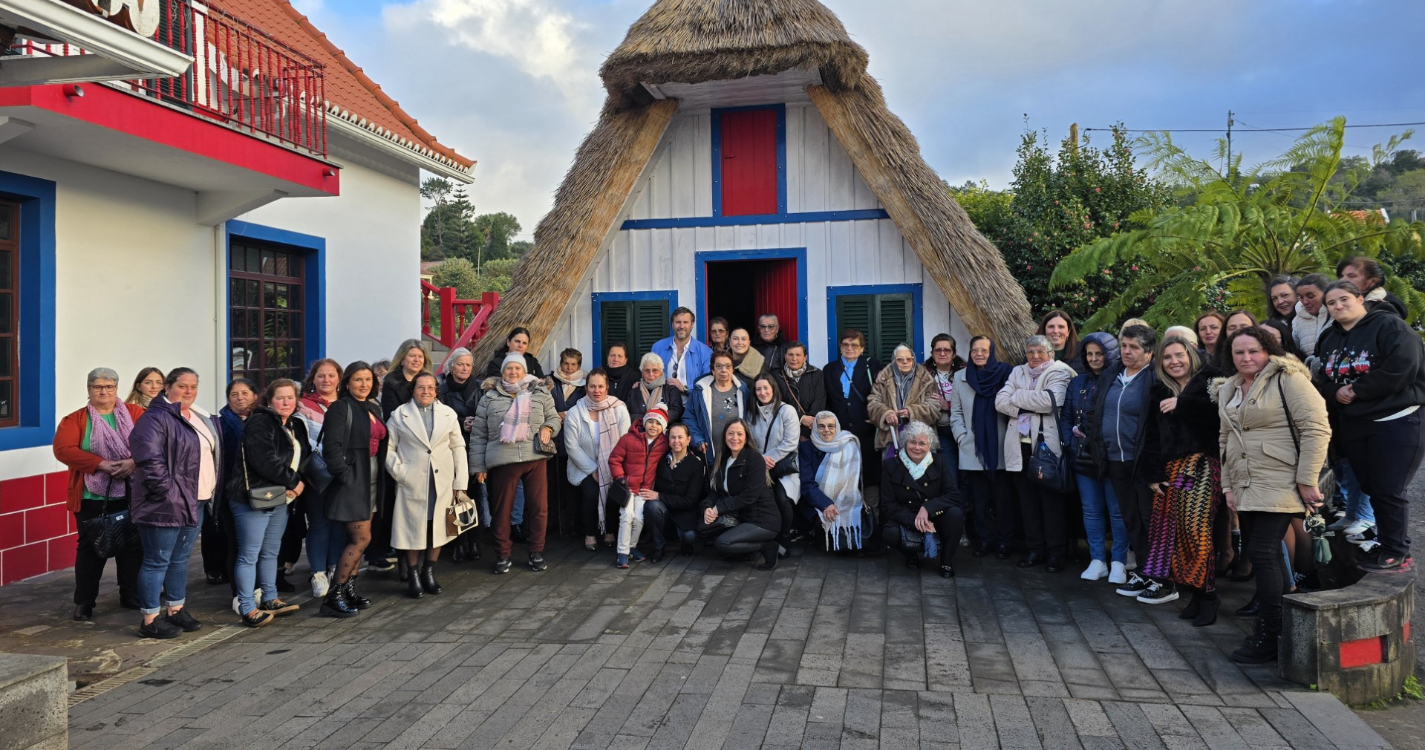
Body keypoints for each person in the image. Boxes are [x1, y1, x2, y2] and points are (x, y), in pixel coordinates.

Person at [1217, 327, 1330, 663]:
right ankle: (1278, 633)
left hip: (1282, 479)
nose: (1246, 358)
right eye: (1239, 353)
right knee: (1269, 554)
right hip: (1245, 482)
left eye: (1253, 351)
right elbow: (1225, 441)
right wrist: (1227, 487)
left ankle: (1269, 635)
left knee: (1262, 552)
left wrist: (1309, 479)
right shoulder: (1228, 388)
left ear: (1267, 350)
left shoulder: (1289, 379)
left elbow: (1316, 427)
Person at [1315, 281, 1425, 572]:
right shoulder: (1328, 338)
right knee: (1371, 485)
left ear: (1360, 298)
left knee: (1389, 488)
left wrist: (1357, 390)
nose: (1338, 306)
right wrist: (1334, 392)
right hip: (1354, 423)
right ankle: (1385, 540)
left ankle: (1395, 549)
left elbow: (1403, 366)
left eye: (1344, 299)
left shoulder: (1390, 326)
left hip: (1395, 419)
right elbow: (1320, 378)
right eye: (1331, 303)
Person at [129, 368, 220, 639]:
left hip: (198, 501)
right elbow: (148, 458)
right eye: (182, 386)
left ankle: (176, 609)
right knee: (157, 560)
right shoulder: (155, 418)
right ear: (167, 388)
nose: (189, 391)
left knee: (180, 560)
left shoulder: (197, 416)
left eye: (194, 386)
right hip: (165, 503)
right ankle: (149, 619)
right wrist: (168, 493)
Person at [1139, 336, 1223, 621]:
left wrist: (1183, 404)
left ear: (1191, 355)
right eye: (1167, 357)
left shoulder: (1212, 380)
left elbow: (1220, 420)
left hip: (1202, 464)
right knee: (1176, 534)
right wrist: (1153, 474)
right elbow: (1152, 435)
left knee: (1197, 531)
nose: (1174, 361)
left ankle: (1209, 595)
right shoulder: (1158, 389)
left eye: (1179, 355)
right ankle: (1197, 594)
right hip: (1172, 469)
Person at [54, 368, 147, 621]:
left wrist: (133, 462)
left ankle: (130, 595)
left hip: (131, 492)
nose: (103, 391)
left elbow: (154, 442)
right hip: (90, 496)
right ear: (89, 389)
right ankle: (84, 602)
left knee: (132, 546)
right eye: (98, 387)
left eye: (109, 386)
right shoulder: (75, 420)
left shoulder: (135, 413)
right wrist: (101, 464)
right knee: (90, 548)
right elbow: (64, 450)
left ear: (117, 389)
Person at [470, 354, 562, 574]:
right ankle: (503, 554)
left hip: (535, 457)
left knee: (539, 508)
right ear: (502, 373)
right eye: (509, 368)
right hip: (503, 459)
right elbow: (479, 434)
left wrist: (548, 428)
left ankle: (536, 552)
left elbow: (554, 418)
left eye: (517, 368)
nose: (513, 372)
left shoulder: (539, 393)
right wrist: (478, 467)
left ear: (524, 371)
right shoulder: (489, 398)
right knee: (502, 510)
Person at [1086, 324, 1158, 597]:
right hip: (1114, 460)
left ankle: (1157, 575)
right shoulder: (1112, 373)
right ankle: (1142, 571)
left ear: (1149, 352)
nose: (1126, 351)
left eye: (1134, 347)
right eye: (1124, 345)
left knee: (1148, 518)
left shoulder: (1154, 377)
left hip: (1142, 461)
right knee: (1130, 519)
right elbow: (1096, 409)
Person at [232, 379, 310, 627]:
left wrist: (298, 483)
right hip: (252, 497)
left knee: (271, 551)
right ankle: (247, 607)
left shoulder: (295, 424)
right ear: (268, 400)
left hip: (280, 496)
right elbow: (264, 460)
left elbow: (304, 456)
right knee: (249, 555)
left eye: (290, 397)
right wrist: (294, 482)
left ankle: (270, 597)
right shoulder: (260, 422)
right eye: (280, 397)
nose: (285, 402)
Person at [386, 372, 470, 598]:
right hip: (412, 482)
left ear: (436, 390)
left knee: (438, 530)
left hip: (441, 482)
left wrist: (460, 482)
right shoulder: (399, 415)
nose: (426, 391)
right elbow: (389, 449)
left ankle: (428, 572)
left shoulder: (448, 413)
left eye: (430, 387)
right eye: (421, 387)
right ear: (412, 390)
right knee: (413, 530)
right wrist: (401, 474)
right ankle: (412, 575)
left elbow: (458, 448)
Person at [995, 335, 1075, 571]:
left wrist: (1017, 398)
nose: (1035, 356)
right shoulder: (1017, 371)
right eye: (1030, 352)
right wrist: (1028, 402)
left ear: (1051, 353)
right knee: (1028, 504)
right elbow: (1000, 401)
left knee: (1050, 504)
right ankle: (1034, 550)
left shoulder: (1061, 371)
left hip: (1046, 449)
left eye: (1040, 352)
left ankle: (1055, 553)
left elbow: (1051, 401)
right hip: (1019, 446)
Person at [319, 361, 386, 618]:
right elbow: (331, 449)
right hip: (352, 481)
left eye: (368, 380)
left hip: (371, 480)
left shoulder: (371, 406)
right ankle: (333, 596)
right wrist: (346, 477)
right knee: (361, 538)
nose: (364, 384)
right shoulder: (340, 407)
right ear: (347, 383)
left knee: (361, 538)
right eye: (358, 379)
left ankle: (348, 591)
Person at [1061, 333, 1129, 583]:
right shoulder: (1077, 382)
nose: (1094, 358)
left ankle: (1119, 561)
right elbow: (1066, 417)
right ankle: (1097, 559)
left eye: (1099, 353)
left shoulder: (1121, 381)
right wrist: (1070, 442)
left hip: (1112, 456)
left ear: (1109, 354)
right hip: (1083, 457)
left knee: (1117, 512)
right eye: (1089, 354)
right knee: (1090, 511)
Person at [950, 336, 1015, 558]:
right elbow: (956, 412)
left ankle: (1005, 542)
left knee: (1003, 499)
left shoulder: (1006, 374)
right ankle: (985, 540)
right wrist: (961, 436)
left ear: (992, 352)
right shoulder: (961, 377)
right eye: (975, 350)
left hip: (1001, 445)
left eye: (984, 350)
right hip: (973, 447)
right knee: (979, 500)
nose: (979, 354)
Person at [375, 340, 430, 574]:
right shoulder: (392, 382)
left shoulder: (425, 381)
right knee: (398, 505)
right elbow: (393, 416)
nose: (416, 360)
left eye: (419, 356)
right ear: (403, 358)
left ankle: (417, 558)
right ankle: (400, 558)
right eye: (412, 356)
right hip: (400, 447)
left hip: (424, 448)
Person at [880, 422, 963, 577]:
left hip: (936, 515)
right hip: (907, 517)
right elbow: (888, 504)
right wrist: (916, 521)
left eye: (922, 443)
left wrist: (927, 509)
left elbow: (954, 495)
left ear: (929, 445)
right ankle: (910, 556)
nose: (917, 448)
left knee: (956, 515)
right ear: (905, 443)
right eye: (912, 442)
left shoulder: (940, 462)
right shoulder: (890, 465)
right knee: (889, 532)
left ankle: (946, 561)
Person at [700, 419, 781, 570]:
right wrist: (708, 507)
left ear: (746, 437)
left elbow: (749, 497)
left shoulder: (754, 459)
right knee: (712, 537)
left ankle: (767, 546)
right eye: (730, 433)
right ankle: (746, 552)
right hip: (742, 518)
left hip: (763, 521)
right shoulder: (723, 459)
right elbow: (715, 491)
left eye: (739, 434)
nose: (734, 438)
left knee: (722, 543)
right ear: (724, 436)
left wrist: (719, 509)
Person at [564, 369, 631, 551]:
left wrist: (610, 469)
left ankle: (609, 531)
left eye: (600, 386)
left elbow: (625, 442)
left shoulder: (619, 409)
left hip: (613, 466)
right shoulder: (575, 413)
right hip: (583, 467)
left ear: (607, 387)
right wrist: (594, 470)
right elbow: (572, 447)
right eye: (592, 386)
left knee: (612, 492)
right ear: (586, 388)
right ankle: (590, 533)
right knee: (592, 494)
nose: (596, 390)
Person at [296, 358, 345, 599]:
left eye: (331, 375)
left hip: (344, 473)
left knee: (339, 523)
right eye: (321, 375)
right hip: (317, 474)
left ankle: (335, 566)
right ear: (313, 379)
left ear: (339, 379)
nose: (326, 380)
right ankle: (317, 573)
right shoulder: (302, 406)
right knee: (318, 523)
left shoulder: (348, 404)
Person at [211, 379, 257, 592]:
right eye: (234, 394)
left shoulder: (262, 419)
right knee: (238, 543)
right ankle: (239, 592)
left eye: (245, 393)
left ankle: (261, 587)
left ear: (255, 395)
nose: (240, 398)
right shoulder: (219, 425)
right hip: (232, 493)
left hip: (261, 491)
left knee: (259, 543)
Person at [608, 406, 670, 567]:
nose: (653, 426)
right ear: (644, 422)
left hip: (644, 490)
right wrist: (620, 477)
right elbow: (615, 459)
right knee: (626, 516)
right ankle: (622, 552)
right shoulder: (628, 439)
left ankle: (631, 547)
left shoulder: (664, 443)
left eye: (658, 423)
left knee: (639, 519)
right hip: (628, 488)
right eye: (650, 421)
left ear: (663, 427)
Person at [799, 412, 868, 551]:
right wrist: (826, 504)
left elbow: (852, 480)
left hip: (845, 494)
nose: (826, 430)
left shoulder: (848, 445)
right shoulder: (806, 448)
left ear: (837, 427)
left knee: (853, 511)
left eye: (831, 426)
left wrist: (840, 500)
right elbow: (807, 483)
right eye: (821, 426)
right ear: (815, 428)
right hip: (816, 499)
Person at [438, 347, 482, 562]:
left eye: (468, 365)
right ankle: (458, 543)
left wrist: (477, 423)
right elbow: (439, 419)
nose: (464, 368)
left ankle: (473, 541)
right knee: (453, 496)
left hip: (474, 447)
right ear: (451, 366)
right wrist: (459, 424)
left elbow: (487, 414)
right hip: (450, 449)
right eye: (460, 364)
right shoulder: (442, 390)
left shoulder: (480, 388)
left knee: (473, 495)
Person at [749, 374, 801, 548]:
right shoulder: (751, 413)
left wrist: (767, 458)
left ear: (773, 389)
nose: (763, 392)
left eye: (766, 388)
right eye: (758, 389)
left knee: (782, 497)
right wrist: (759, 460)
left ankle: (785, 537)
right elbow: (749, 442)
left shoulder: (787, 411)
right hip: (760, 466)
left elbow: (790, 442)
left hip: (783, 467)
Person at [824, 330, 881, 485]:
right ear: (840, 347)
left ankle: (870, 508)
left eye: (855, 345)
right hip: (839, 430)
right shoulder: (829, 369)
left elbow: (882, 394)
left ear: (862, 348)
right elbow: (827, 399)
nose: (850, 348)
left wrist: (876, 416)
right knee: (842, 473)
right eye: (846, 345)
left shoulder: (872, 365)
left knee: (869, 473)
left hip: (866, 428)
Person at [868, 344, 941, 454]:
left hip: (920, 438)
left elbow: (935, 406)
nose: (905, 362)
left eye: (909, 359)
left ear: (914, 359)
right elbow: (873, 403)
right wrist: (886, 413)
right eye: (900, 360)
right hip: (891, 436)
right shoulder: (883, 379)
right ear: (894, 361)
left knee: (921, 470)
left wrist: (911, 412)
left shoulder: (926, 379)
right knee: (893, 469)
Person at [651, 423, 710, 555]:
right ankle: (658, 547)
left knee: (689, 536)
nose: (676, 441)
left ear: (688, 440)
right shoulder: (660, 460)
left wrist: (659, 496)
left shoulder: (697, 464)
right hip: (664, 512)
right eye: (672, 437)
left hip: (685, 515)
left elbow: (690, 501)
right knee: (652, 507)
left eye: (680, 437)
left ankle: (684, 543)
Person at [548, 348, 587, 538]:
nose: (569, 368)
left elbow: (586, 406)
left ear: (579, 365)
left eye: (573, 364)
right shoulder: (550, 381)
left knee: (573, 484)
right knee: (553, 484)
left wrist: (568, 414)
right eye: (566, 364)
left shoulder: (585, 385)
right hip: (554, 440)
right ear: (560, 363)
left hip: (575, 440)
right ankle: (554, 521)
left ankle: (573, 521)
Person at [686, 351, 750, 465]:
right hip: (710, 454)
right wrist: (698, 440)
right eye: (719, 366)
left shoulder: (743, 391)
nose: (723, 370)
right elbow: (689, 417)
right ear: (712, 370)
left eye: (727, 366)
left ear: (732, 369)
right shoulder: (700, 391)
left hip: (738, 454)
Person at [652, 306, 712, 402]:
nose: (681, 326)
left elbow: (707, 384)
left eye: (685, 322)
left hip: (693, 407)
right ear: (672, 324)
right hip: (664, 405)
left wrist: (684, 388)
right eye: (678, 322)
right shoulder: (658, 347)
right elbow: (650, 376)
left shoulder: (705, 352)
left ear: (692, 325)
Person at [773, 341, 826, 442]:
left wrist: (806, 429)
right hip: (784, 431)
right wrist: (801, 418)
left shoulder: (817, 374)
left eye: (798, 355)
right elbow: (777, 404)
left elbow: (820, 401)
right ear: (785, 356)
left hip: (810, 432)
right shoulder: (776, 376)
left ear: (805, 357)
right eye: (790, 355)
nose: (794, 359)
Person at [924, 334, 965, 456]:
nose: (942, 353)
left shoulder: (966, 372)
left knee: (967, 470)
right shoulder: (922, 372)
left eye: (947, 350)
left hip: (964, 427)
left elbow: (974, 401)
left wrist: (948, 405)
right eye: (938, 350)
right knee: (949, 470)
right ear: (932, 353)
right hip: (939, 429)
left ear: (954, 353)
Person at [1338, 256, 1408, 319]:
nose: (1342, 280)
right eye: (1341, 276)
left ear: (1372, 282)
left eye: (1351, 276)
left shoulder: (1384, 311)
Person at [625, 353, 684, 425]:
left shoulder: (670, 389)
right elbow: (627, 415)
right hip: (639, 433)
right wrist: (656, 416)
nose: (651, 374)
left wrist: (648, 417)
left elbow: (676, 412)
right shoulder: (633, 392)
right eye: (647, 370)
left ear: (661, 372)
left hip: (665, 433)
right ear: (642, 373)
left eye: (655, 370)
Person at [1291, 274, 1332, 362]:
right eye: (1300, 297)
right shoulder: (1297, 321)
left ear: (1326, 293)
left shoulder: (1337, 315)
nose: (1305, 302)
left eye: (1310, 296)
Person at [481, 326, 546, 379]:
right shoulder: (495, 363)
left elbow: (542, 383)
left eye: (524, 343)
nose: (520, 345)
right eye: (517, 341)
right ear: (508, 342)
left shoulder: (533, 361)